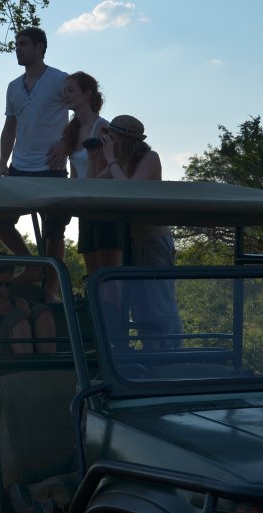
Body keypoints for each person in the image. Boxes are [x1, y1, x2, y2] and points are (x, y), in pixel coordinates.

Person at [0, 27, 70, 301]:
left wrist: (65, 144)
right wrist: (2, 162)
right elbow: (9, 127)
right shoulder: (13, 86)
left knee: (54, 230)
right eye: (16, 44)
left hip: (51, 166)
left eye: (23, 44)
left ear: (40, 48)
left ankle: (50, 290)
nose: (18, 48)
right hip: (20, 167)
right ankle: (33, 265)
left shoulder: (60, 80)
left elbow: (83, 112)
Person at [96, 114, 181, 346]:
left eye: (111, 138)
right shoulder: (120, 161)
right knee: (140, 309)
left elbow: (131, 192)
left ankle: (172, 359)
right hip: (132, 243)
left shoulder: (150, 158)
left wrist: (111, 160)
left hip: (155, 242)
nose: (109, 142)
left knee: (161, 307)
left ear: (124, 139)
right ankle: (152, 359)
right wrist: (98, 156)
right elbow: (92, 184)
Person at [60, 72, 116, 274]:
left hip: (104, 207)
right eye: (64, 91)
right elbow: (75, 174)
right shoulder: (70, 131)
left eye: (71, 90)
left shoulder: (101, 127)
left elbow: (108, 169)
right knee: (92, 274)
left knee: (108, 273)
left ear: (87, 94)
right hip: (85, 208)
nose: (65, 95)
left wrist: (86, 188)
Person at [0, 258, 57, 355]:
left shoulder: (20, 304)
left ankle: (49, 361)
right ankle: (25, 365)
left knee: (41, 310)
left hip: (20, 350)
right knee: (16, 316)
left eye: (8, 284)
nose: (4, 289)